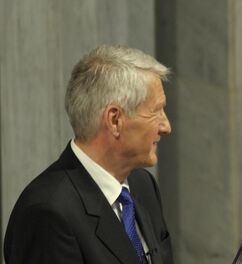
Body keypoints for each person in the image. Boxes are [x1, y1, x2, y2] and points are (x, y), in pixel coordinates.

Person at [4, 45, 174, 264]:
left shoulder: (143, 186)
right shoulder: (47, 212)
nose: (166, 126)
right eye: (156, 111)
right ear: (114, 120)